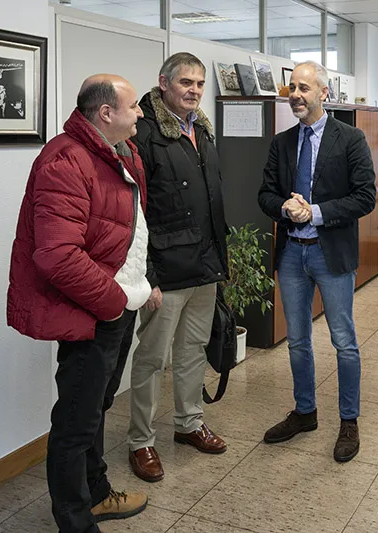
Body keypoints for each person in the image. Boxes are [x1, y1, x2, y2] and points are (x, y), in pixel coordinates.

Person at [7, 74, 150, 533]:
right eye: (133, 106)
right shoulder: (65, 159)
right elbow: (56, 255)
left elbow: (129, 230)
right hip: (93, 311)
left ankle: (99, 494)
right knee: (75, 422)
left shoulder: (121, 153)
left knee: (96, 409)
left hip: (118, 303)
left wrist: (142, 285)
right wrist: (111, 302)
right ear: (105, 113)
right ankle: (75, 521)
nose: (141, 113)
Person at [257, 61, 376, 462]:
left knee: (343, 341)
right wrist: (285, 206)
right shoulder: (282, 142)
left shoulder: (351, 139)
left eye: (304, 88)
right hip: (292, 252)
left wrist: (317, 212)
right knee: (297, 340)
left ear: (324, 93)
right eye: (292, 88)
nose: (296, 95)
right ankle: (305, 411)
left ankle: (349, 420)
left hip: (331, 254)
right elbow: (265, 195)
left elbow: (364, 197)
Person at [126, 52, 229, 483]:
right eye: (186, 82)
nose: (194, 90)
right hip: (164, 271)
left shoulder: (201, 128)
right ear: (163, 82)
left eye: (200, 83)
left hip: (204, 264)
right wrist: (144, 275)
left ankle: (189, 423)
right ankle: (140, 441)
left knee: (192, 353)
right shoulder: (143, 133)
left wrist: (222, 261)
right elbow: (135, 211)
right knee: (151, 359)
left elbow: (210, 201)